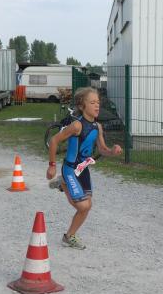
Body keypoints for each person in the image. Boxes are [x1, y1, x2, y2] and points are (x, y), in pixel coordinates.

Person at [45, 87, 122, 249]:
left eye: (98, 102)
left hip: (83, 169)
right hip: (70, 169)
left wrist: (112, 151)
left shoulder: (97, 127)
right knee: (83, 206)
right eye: (92, 102)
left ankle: (69, 236)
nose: (97, 105)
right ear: (82, 106)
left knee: (87, 206)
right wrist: (52, 165)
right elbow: (53, 141)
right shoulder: (76, 125)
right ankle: (63, 182)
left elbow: (102, 150)